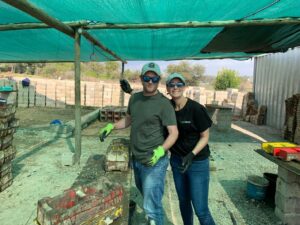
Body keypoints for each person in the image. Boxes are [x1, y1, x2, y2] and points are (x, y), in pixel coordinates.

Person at [120, 73, 215, 225]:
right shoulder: (167, 105)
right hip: (177, 161)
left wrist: (192, 154)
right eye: (172, 85)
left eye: (179, 85)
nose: (175, 88)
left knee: (200, 209)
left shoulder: (196, 109)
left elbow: (205, 137)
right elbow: (150, 100)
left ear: (185, 87)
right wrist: (131, 92)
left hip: (196, 162)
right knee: (183, 201)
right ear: (167, 88)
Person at [99, 62, 178, 225]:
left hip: (155, 162)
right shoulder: (134, 98)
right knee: (147, 197)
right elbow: (129, 119)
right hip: (137, 159)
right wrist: (111, 126)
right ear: (141, 79)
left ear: (159, 80)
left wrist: (161, 150)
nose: (150, 82)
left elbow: (174, 133)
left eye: (154, 78)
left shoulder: (164, 104)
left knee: (152, 208)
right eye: (147, 78)